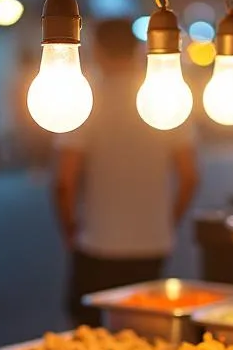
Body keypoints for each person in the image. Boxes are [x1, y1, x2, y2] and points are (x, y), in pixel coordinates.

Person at [53, 18, 199, 326]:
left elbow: (64, 181)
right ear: (137, 50)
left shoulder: (82, 101)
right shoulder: (167, 99)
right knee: (144, 334)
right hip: (153, 243)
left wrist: (69, 230)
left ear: (97, 49)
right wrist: (167, 222)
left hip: (97, 242)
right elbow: (189, 176)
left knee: (89, 339)